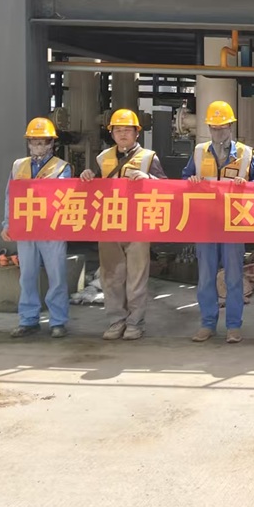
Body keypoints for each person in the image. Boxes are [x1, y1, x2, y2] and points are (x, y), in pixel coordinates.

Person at [182, 100, 254, 344]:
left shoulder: (245, 154)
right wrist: (191, 181)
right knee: (206, 276)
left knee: (233, 277)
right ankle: (207, 324)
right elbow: (184, 179)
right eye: (214, 127)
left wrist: (248, 185)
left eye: (222, 127)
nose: (218, 132)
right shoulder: (199, 152)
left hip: (233, 223)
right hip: (206, 223)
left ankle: (233, 326)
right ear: (208, 128)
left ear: (231, 126)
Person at [79, 109, 166, 341]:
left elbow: (166, 187)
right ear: (112, 133)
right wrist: (88, 175)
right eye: (118, 130)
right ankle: (116, 321)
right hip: (109, 224)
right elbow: (95, 185)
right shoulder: (103, 158)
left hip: (138, 225)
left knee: (136, 277)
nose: (123, 134)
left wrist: (149, 179)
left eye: (128, 130)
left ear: (137, 133)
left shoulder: (149, 158)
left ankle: (135, 323)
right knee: (111, 277)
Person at [1, 117, 73, 339]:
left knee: (57, 276)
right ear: (28, 143)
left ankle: (58, 321)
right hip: (26, 229)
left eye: (43, 141)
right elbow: (10, 196)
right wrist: (7, 224)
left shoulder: (62, 168)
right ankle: (28, 319)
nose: (38, 146)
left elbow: (64, 197)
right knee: (27, 276)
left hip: (52, 230)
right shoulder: (18, 166)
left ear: (52, 143)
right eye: (34, 141)